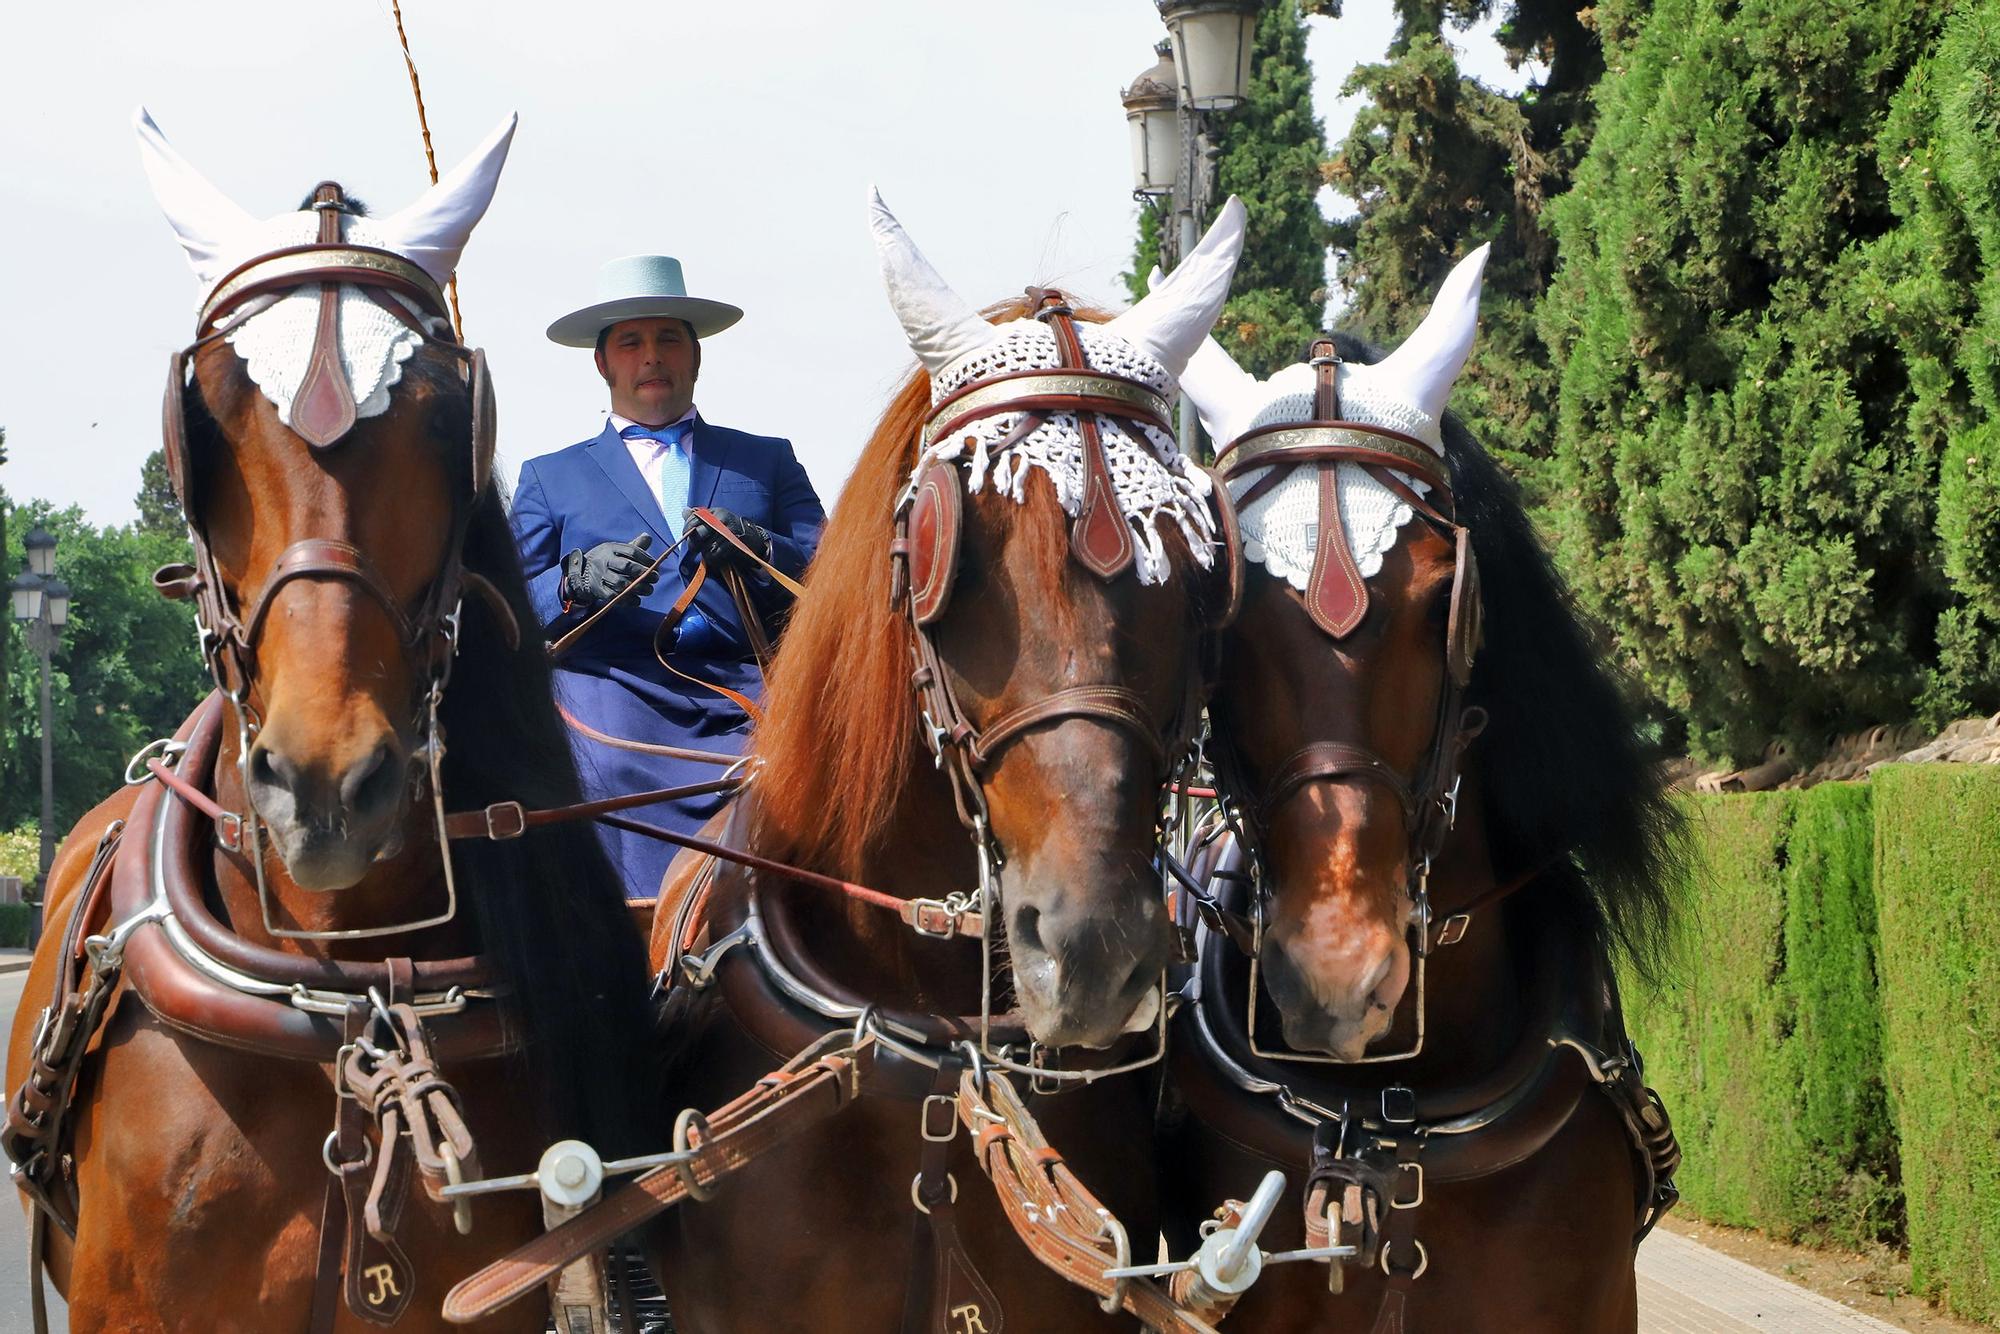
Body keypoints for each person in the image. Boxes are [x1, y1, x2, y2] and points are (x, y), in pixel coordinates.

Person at [511, 254, 824, 897]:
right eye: (631, 341)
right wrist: (571, 580)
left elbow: (829, 578)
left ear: (696, 355)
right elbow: (505, 605)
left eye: (668, 339)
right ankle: (635, 933)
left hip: (751, 681)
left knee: (812, 763)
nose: (651, 356)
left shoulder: (765, 460)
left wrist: (762, 548)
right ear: (603, 363)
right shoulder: (549, 476)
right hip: (617, 686)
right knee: (610, 762)